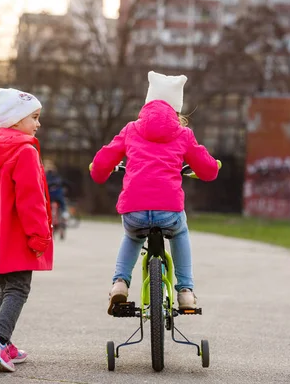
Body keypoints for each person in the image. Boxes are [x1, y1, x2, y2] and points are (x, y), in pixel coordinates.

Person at [90, 71, 219, 315]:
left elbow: (103, 161)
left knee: (131, 235)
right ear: (177, 109)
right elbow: (209, 170)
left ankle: (119, 283)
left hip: (134, 210)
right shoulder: (183, 134)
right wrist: (210, 168)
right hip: (168, 211)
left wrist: (99, 172)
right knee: (180, 232)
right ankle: (185, 291)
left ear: (147, 103)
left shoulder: (131, 129)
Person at [0, 88, 54, 372]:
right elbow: (31, 199)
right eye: (34, 117)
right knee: (18, 288)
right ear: (17, 120)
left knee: (6, 288)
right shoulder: (24, 150)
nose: (38, 124)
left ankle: (5, 343)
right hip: (18, 234)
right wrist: (39, 235)